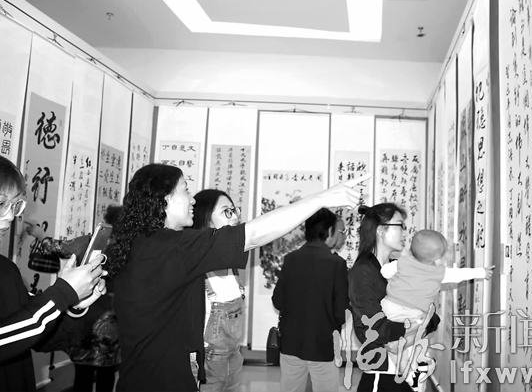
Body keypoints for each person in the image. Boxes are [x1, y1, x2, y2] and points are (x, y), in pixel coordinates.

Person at [106, 164, 367, 391]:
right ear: (164, 198)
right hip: (162, 380)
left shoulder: (141, 244)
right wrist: (322, 198)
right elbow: (253, 235)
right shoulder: (172, 247)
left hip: (150, 375)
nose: (192, 200)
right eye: (185, 190)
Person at [0, 155, 106, 391]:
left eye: (15, 205)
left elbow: (35, 331)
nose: (10, 216)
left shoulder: (6, 270)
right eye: (1, 203)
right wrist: (63, 293)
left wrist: (75, 302)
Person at [27, 205, 124, 392]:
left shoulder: (88, 242)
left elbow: (57, 247)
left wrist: (40, 234)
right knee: (107, 373)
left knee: (83, 373)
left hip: (86, 316)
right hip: (113, 321)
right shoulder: (128, 249)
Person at [348, 203, 439, 392]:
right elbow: (374, 328)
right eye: (400, 226)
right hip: (382, 373)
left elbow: (431, 315)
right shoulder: (363, 271)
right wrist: (416, 325)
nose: (405, 233)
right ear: (381, 230)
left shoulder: (398, 268)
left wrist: (415, 327)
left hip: (407, 367)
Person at [380, 229, 494, 380]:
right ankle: (409, 372)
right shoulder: (439, 272)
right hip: (414, 313)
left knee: (394, 342)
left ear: (411, 250)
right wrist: (482, 272)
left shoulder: (403, 262)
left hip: (389, 306)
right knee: (414, 341)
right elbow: (459, 275)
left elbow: (384, 271)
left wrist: (394, 278)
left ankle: (404, 367)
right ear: (438, 260)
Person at [272, 208, 349, 392]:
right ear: (329, 231)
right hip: (323, 345)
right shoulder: (336, 264)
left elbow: (278, 301)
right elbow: (341, 313)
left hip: (291, 344)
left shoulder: (291, 259)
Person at [190, 189, 246, 392]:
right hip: (207, 363)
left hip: (235, 358)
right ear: (206, 220)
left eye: (235, 210)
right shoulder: (194, 267)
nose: (235, 216)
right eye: (226, 211)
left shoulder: (233, 265)